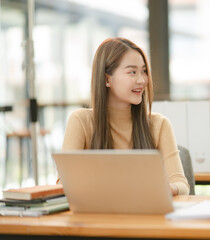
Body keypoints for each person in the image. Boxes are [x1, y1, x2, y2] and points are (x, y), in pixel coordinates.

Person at [59, 37, 190, 196]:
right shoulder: (81, 121)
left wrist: (171, 188)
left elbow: (181, 184)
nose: (142, 80)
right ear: (107, 79)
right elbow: (63, 184)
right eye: (132, 72)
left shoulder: (159, 124)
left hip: (145, 216)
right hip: (97, 217)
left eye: (144, 71)